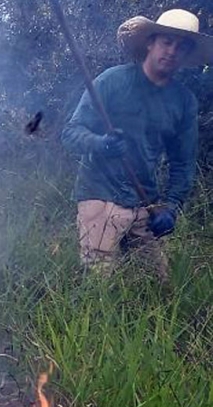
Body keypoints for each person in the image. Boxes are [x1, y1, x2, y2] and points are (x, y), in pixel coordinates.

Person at [61, 9, 212, 279]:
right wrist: (101, 144)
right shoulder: (112, 81)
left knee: (156, 284)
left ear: (187, 55)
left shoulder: (184, 101)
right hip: (100, 193)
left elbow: (183, 163)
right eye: (167, 42)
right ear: (150, 43)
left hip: (146, 202)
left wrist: (171, 206)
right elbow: (71, 133)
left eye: (181, 46)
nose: (172, 51)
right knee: (99, 284)